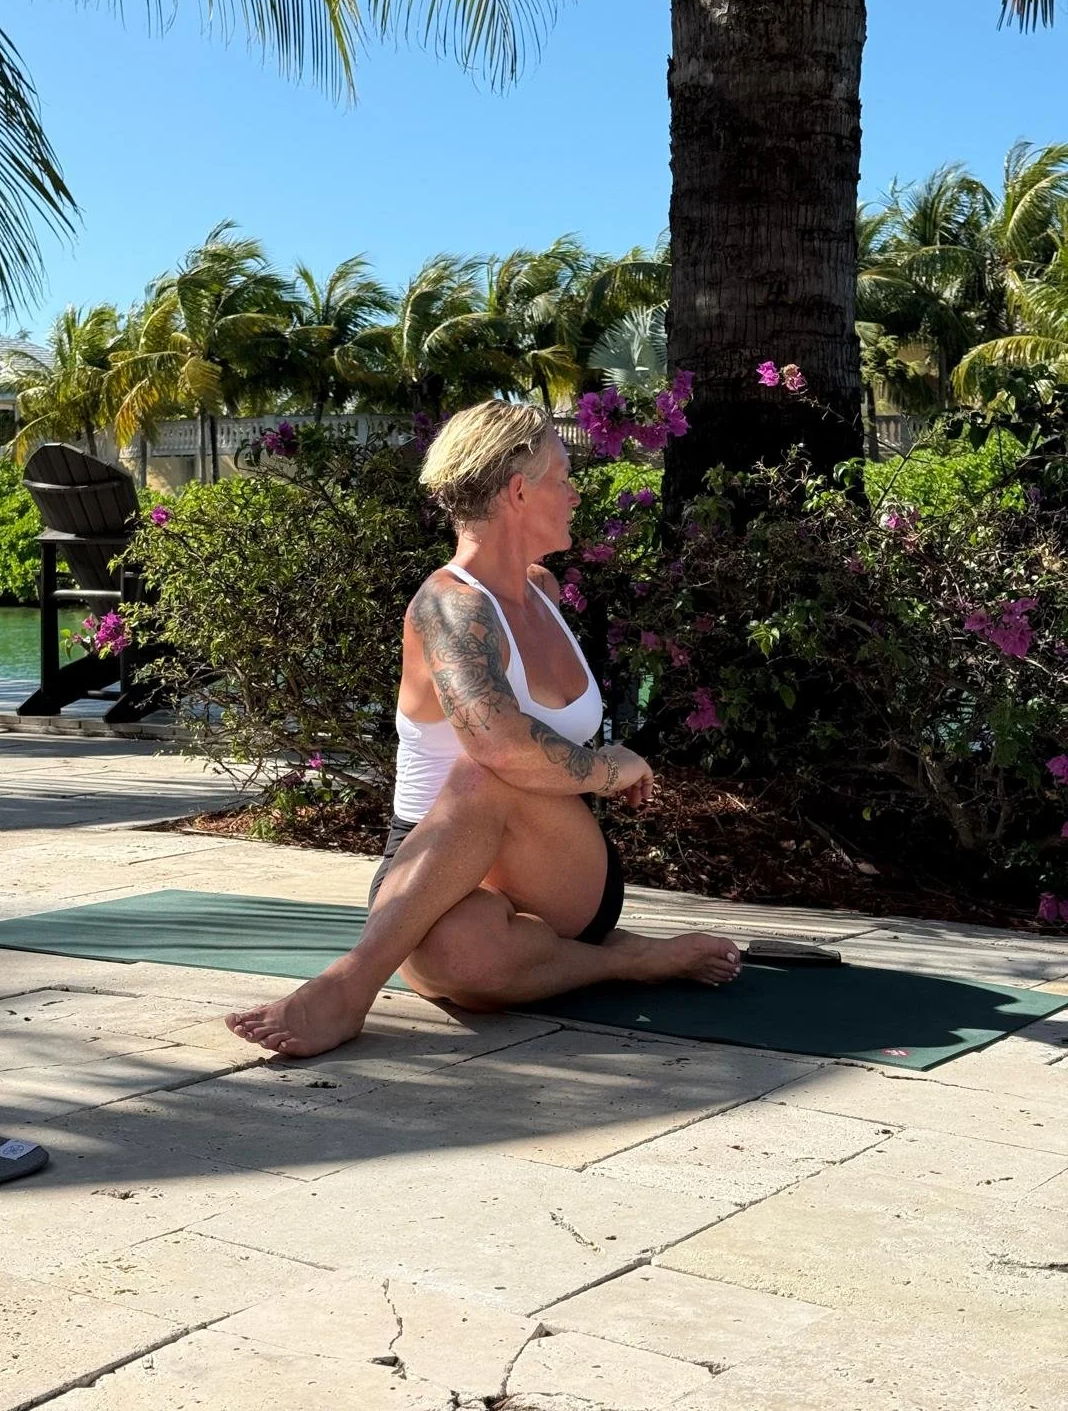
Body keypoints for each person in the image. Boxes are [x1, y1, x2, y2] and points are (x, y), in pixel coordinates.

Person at [227, 401, 740, 1057]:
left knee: (483, 772)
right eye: (564, 477)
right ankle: (628, 960)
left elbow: (498, 755)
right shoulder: (448, 605)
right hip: (421, 863)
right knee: (457, 960)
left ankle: (346, 988)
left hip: (552, 866)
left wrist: (602, 769)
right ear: (519, 491)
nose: (576, 492)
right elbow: (499, 738)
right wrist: (613, 764)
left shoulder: (543, 590)